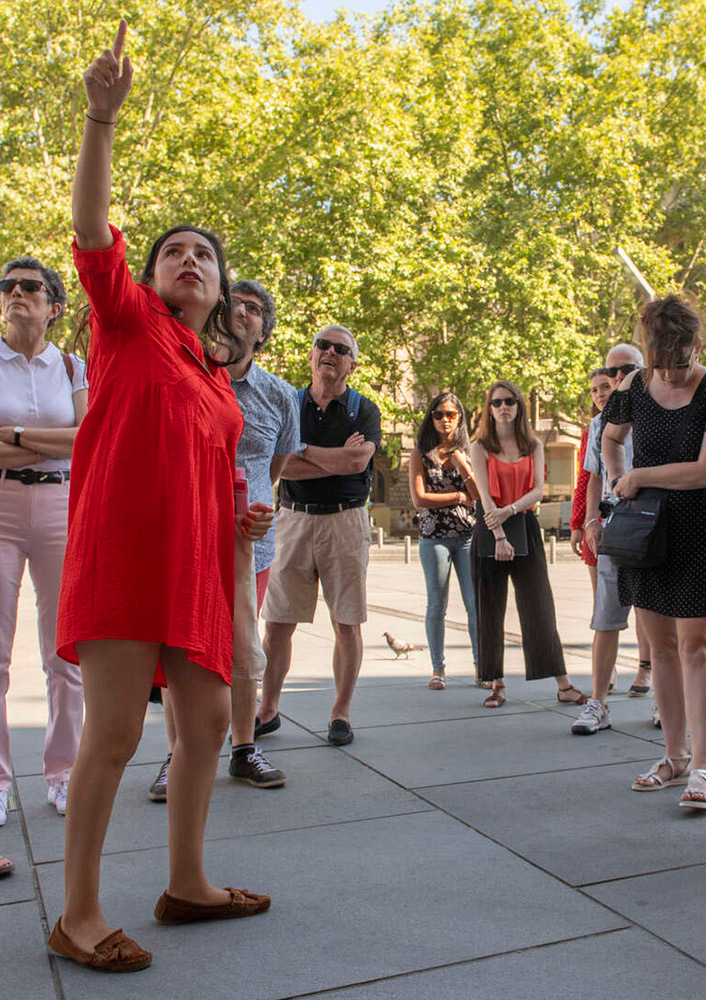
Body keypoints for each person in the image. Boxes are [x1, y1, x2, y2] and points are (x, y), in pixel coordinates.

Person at [51, 22, 273, 974]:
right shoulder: (129, 324)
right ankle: (78, 913)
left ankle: (186, 882)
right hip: (121, 556)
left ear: (221, 291)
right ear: (148, 280)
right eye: (174, 251)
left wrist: (242, 517)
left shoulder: (218, 376)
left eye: (204, 257)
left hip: (198, 571)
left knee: (212, 726)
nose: (189, 260)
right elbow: (95, 233)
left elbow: (217, 475)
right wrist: (101, 120)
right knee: (115, 732)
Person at [149, 280, 301, 800]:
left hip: (249, 544)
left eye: (256, 309)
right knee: (181, 650)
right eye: (235, 303)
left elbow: (275, 468)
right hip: (186, 537)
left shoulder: (281, 395)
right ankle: (175, 756)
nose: (243, 314)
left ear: (265, 330)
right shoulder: (186, 377)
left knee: (244, 648)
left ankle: (243, 749)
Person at [603, 299, 706, 809]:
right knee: (660, 648)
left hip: (701, 525)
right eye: (663, 364)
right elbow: (611, 439)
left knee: (697, 647)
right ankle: (674, 755)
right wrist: (619, 476)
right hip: (647, 530)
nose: (672, 374)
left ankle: (702, 769)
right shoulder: (633, 385)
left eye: (680, 363)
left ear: (696, 346)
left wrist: (639, 477)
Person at [259, 325, 381, 748]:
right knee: (276, 625)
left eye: (340, 349)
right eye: (322, 345)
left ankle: (340, 714)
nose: (329, 352)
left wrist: (301, 450)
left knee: (346, 623)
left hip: (345, 523)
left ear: (353, 363)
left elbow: (355, 463)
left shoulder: (365, 410)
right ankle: (267, 710)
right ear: (311, 355)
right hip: (292, 519)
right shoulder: (287, 402)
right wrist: (329, 457)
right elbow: (278, 466)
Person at [0, 256, 86, 826]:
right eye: (8, 286)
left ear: (54, 307)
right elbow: (71, 439)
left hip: (61, 505)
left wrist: (18, 436)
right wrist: (52, 444)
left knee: (66, 653)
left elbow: (88, 441)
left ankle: (63, 774)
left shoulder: (73, 366)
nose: (16, 293)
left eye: (30, 287)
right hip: (0, 506)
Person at [469, 380, 584, 708]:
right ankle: (496, 683)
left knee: (539, 607)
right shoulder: (479, 447)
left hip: (523, 522)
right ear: (488, 409)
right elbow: (485, 495)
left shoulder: (532, 443)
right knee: (490, 608)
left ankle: (563, 684)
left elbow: (538, 490)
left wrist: (511, 510)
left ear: (519, 406)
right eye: (496, 403)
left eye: (509, 402)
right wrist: (501, 533)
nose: (503, 407)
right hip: (490, 527)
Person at [572, 344, 655, 737]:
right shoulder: (600, 423)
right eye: (613, 370)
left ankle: (664, 700)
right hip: (613, 522)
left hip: (653, 521)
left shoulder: (658, 413)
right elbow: (593, 476)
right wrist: (590, 520)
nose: (619, 377)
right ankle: (598, 702)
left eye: (627, 369)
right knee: (605, 617)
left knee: (658, 615)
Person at [408, 392, 479, 689]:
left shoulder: (470, 451)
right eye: (438, 414)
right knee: (437, 605)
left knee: (475, 604)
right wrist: (459, 496)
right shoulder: (421, 452)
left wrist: (464, 468)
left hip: (467, 537)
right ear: (431, 418)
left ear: (459, 417)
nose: (445, 419)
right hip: (433, 538)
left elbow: (479, 497)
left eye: (451, 414)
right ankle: (438, 669)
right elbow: (419, 499)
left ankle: (482, 666)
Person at [570, 368, 614, 592]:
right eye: (594, 390)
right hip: (598, 520)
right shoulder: (593, 430)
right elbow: (586, 480)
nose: (600, 395)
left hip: (637, 522)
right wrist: (578, 524)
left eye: (605, 387)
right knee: (602, 604)